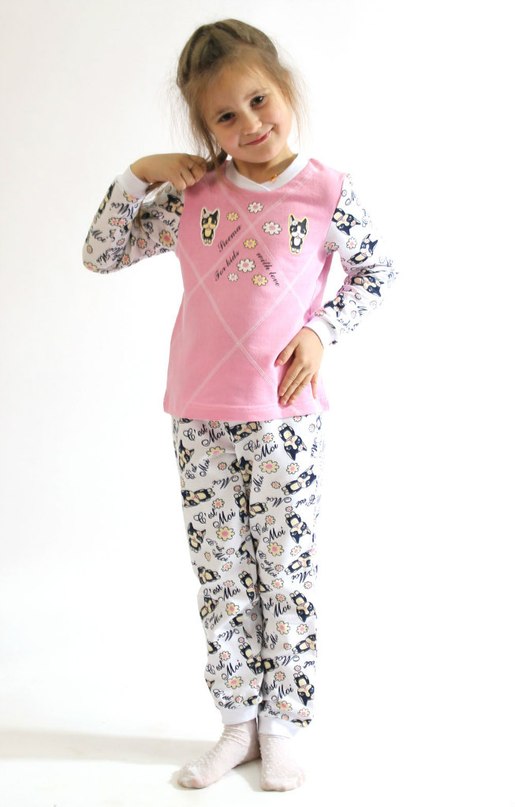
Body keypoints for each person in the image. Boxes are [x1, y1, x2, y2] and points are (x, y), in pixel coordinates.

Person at [82, 18, 397, 792]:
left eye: (259, 101)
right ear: (204, 129)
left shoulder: (327, 192)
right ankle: (237, 723)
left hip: (284, 416)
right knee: (221, 575)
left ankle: (283, 725)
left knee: (283, 571)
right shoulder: (194, 196)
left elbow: (377, 272)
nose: (250, 124)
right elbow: (101, 252)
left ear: (283, 88)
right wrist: (138, 174)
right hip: (199, 413)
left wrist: (321, 331)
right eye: (225, 116)